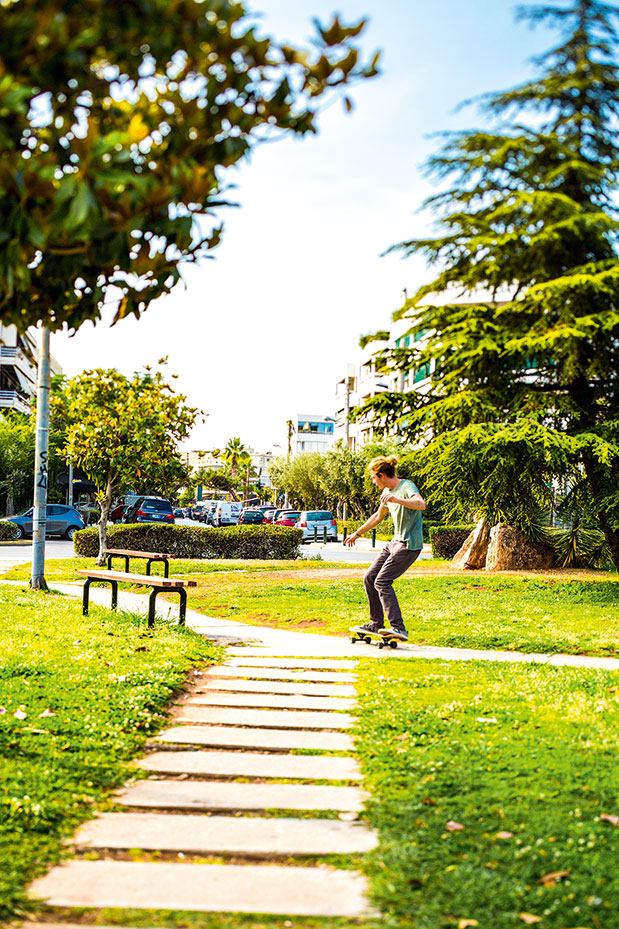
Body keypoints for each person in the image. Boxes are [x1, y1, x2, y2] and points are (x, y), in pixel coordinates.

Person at [345, 454, 425, 641]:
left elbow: (421, 504)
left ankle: (398, 628)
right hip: (394, 542)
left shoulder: (406, 486)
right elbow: (378, 516)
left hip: (409, 544)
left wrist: (397, 500)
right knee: (369, 577)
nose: (373, 482)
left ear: (381, 475)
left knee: (382, 581)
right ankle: (376, 624)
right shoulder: (386, 492)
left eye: (374, 477)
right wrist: (357, 533)